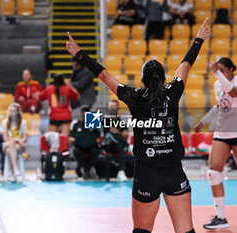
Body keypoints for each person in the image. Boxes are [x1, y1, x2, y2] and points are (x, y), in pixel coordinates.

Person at [66, 16, 209, 233]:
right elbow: (186, 64)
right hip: (174, 172)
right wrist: (199, 39)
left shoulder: (133, 96)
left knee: (142, 230)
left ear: (142, 80)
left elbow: (103, 75)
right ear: (163, 79)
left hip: (147, 173)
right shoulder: (173, 92)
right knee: (186, 231)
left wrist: (79, 53)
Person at [194, 58, 237, 229]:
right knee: (213, 172)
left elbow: (233, 93)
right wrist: (203, 121)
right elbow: (220, 105)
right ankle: (221, 217)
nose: (221, 73)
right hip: (222, 133)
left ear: (231, 69)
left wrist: (216, 72)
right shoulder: (218, 85)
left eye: (223, 70)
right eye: (219, 71)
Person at [69, 105, 101, 179]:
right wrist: (76, 140)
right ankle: (87, 169)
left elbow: (99, 138)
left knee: (95, 151)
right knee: (76, 152)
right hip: (79, 146)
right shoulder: (76, 124)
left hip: (91, 146)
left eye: (86, 111)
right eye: (83, 111)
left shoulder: (93, 123)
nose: (84, 113)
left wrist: (94, 140)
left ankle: (85, 170)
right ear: (80, 113)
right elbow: (70, 138)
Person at [103, 100, 129, 182]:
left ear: (117, 107)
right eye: (111, 106)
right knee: (111, 134)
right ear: (108, 107)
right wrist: (118, 132)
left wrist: (117, 132)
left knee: (120, 146)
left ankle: (121, 172)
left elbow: (126, 134)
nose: (112, 107)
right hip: (108, 145)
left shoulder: (121, 121)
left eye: (114, 106)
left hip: (118, 146)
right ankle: (129, 146)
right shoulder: (105, 119)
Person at [2, 103, 28, 182]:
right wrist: (13, 140)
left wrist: (19, 141)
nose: (11, 113)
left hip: (18, 145)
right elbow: (5, 138)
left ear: (17, 112)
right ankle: (16, 170)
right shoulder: (5, 122)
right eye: (10, 111)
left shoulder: (23, 122)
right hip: (7, 144)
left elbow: (24, 138)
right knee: (10, 145)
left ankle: (12, 174)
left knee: (9, 151)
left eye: (13, 111)